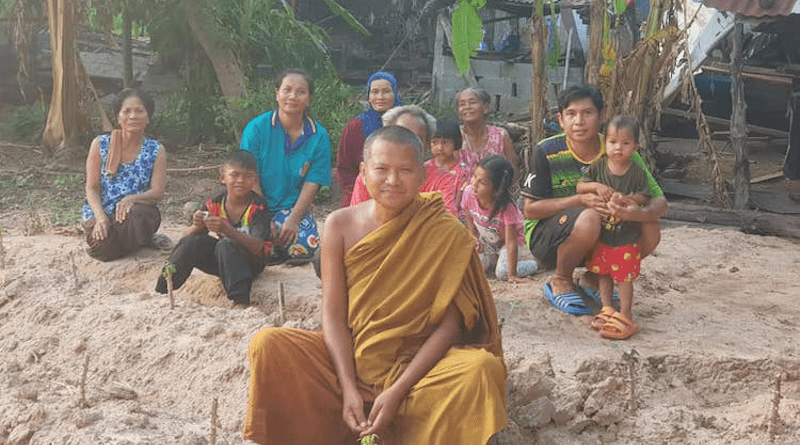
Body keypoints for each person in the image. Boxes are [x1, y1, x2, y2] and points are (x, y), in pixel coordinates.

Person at [244, 126, 507, 445]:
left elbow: (451, 326)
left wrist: (397, 390)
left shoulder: (445, 231)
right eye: (382, 169)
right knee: (268, 343)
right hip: (349, 364)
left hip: (420, 375)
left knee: (480, 368)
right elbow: (333, 315)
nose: (393, 181)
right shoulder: (340, 225)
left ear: (422, 175)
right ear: (364, 172)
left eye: (406, 170)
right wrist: (350, 387)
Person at [520, 85, 667, 315]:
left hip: (605, 234)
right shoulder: (546, 151)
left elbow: (659, 202)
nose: (579, 121)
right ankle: (560, 279)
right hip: (549, 238)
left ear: (602, 116)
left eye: (587, 113)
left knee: (650, 227)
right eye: (571, 114)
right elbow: (530, 210)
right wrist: (580, 200)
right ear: (560, 119)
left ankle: (593, 277)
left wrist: (636, 213)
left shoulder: (620, 148)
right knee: (589, 217)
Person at [155, 151, 272, 306]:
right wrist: (197, 226)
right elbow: (184, 240)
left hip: (252, 262)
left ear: (255, 180)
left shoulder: (258, 206)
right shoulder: (214, 203)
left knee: (226, 243)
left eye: (247, 176)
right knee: (193, 243)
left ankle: (240, 301)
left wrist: (227, 230)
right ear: (223, 178)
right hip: (224, 260)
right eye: (234, 175)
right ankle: (162, 291)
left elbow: (258, 247)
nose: (240, 181)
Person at [240, 68, 330, 264]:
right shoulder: (256, 128)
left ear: (309, 99)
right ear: (277, 94)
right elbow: (248, 175)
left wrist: (294, 218)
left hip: (292, 208)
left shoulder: (319, 136)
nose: (292, 96)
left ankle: (273, 250)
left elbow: (313, 182)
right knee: (245, 238)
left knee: (307, 244)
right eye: (287, 90)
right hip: (255, 202)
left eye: (301, 91)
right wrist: (263, 215)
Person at [576, 116, 651, 339]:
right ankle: (607, 309)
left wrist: (627, 199)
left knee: (625, 278)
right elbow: (580, 186)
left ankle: (626, 313)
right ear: (605, 143)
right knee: (604, 274)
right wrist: (597, 187)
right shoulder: (598, 167)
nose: (618, 148)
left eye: (625, 143)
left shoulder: (636, 171)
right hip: (603, 235)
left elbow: (645, 195)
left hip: (627, 237)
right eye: (612, 142)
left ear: (635, 147)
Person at [82, 88, 169, 261]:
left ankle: (132, 239)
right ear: (118, 117)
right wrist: (101, 218)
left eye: (139, 111)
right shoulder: (100, 144)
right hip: (103, 211)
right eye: (126, 111)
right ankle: (135, 242)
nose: (133, 116)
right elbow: (92, 188)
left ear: (148, 117)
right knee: (103, 248)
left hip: (135, 212)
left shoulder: (156, 150)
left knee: (139, 217)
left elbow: (157, 193)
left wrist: (131, 199)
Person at [463, 154, 538, 282]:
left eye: (482, 182)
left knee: (502, 272)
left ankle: (534, 263)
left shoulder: (507, 207)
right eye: (474, 176)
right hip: (488, 242)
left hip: (510, 244)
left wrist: (512, 274)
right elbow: (468, 214)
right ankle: (495, 260)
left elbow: (511, 242)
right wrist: (473, 237)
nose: (474, 183)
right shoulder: (469, 193)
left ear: (496, 190)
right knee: (471, 267)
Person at [336, 71, 401, 206]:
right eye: (374, 92)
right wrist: (358, 193)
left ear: (395, 94)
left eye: (386, 91)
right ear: (368, 96)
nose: (380, 97)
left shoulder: (405, 123)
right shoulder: (355, 127)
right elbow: (345, 167)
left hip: (399, 194)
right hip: (361, 196)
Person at [348, 105, 436, 206]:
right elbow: (359, 216)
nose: (393, 181)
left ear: (428, 144)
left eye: (417, 139)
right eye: (400, 135)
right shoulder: (371, 175)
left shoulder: (441, 179)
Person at [456, 87, 517, 176]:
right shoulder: (455, 136)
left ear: (486, 108)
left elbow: (512, 170)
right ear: (459, 113)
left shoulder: (501, 136)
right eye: (462, 104)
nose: (467, 107)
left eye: (472, 102)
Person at [423, 117, 468, 215]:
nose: (440, 148)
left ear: (455, 143)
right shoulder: (424, 168)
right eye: (435, 142)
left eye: (445, 142)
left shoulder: (463, 172)